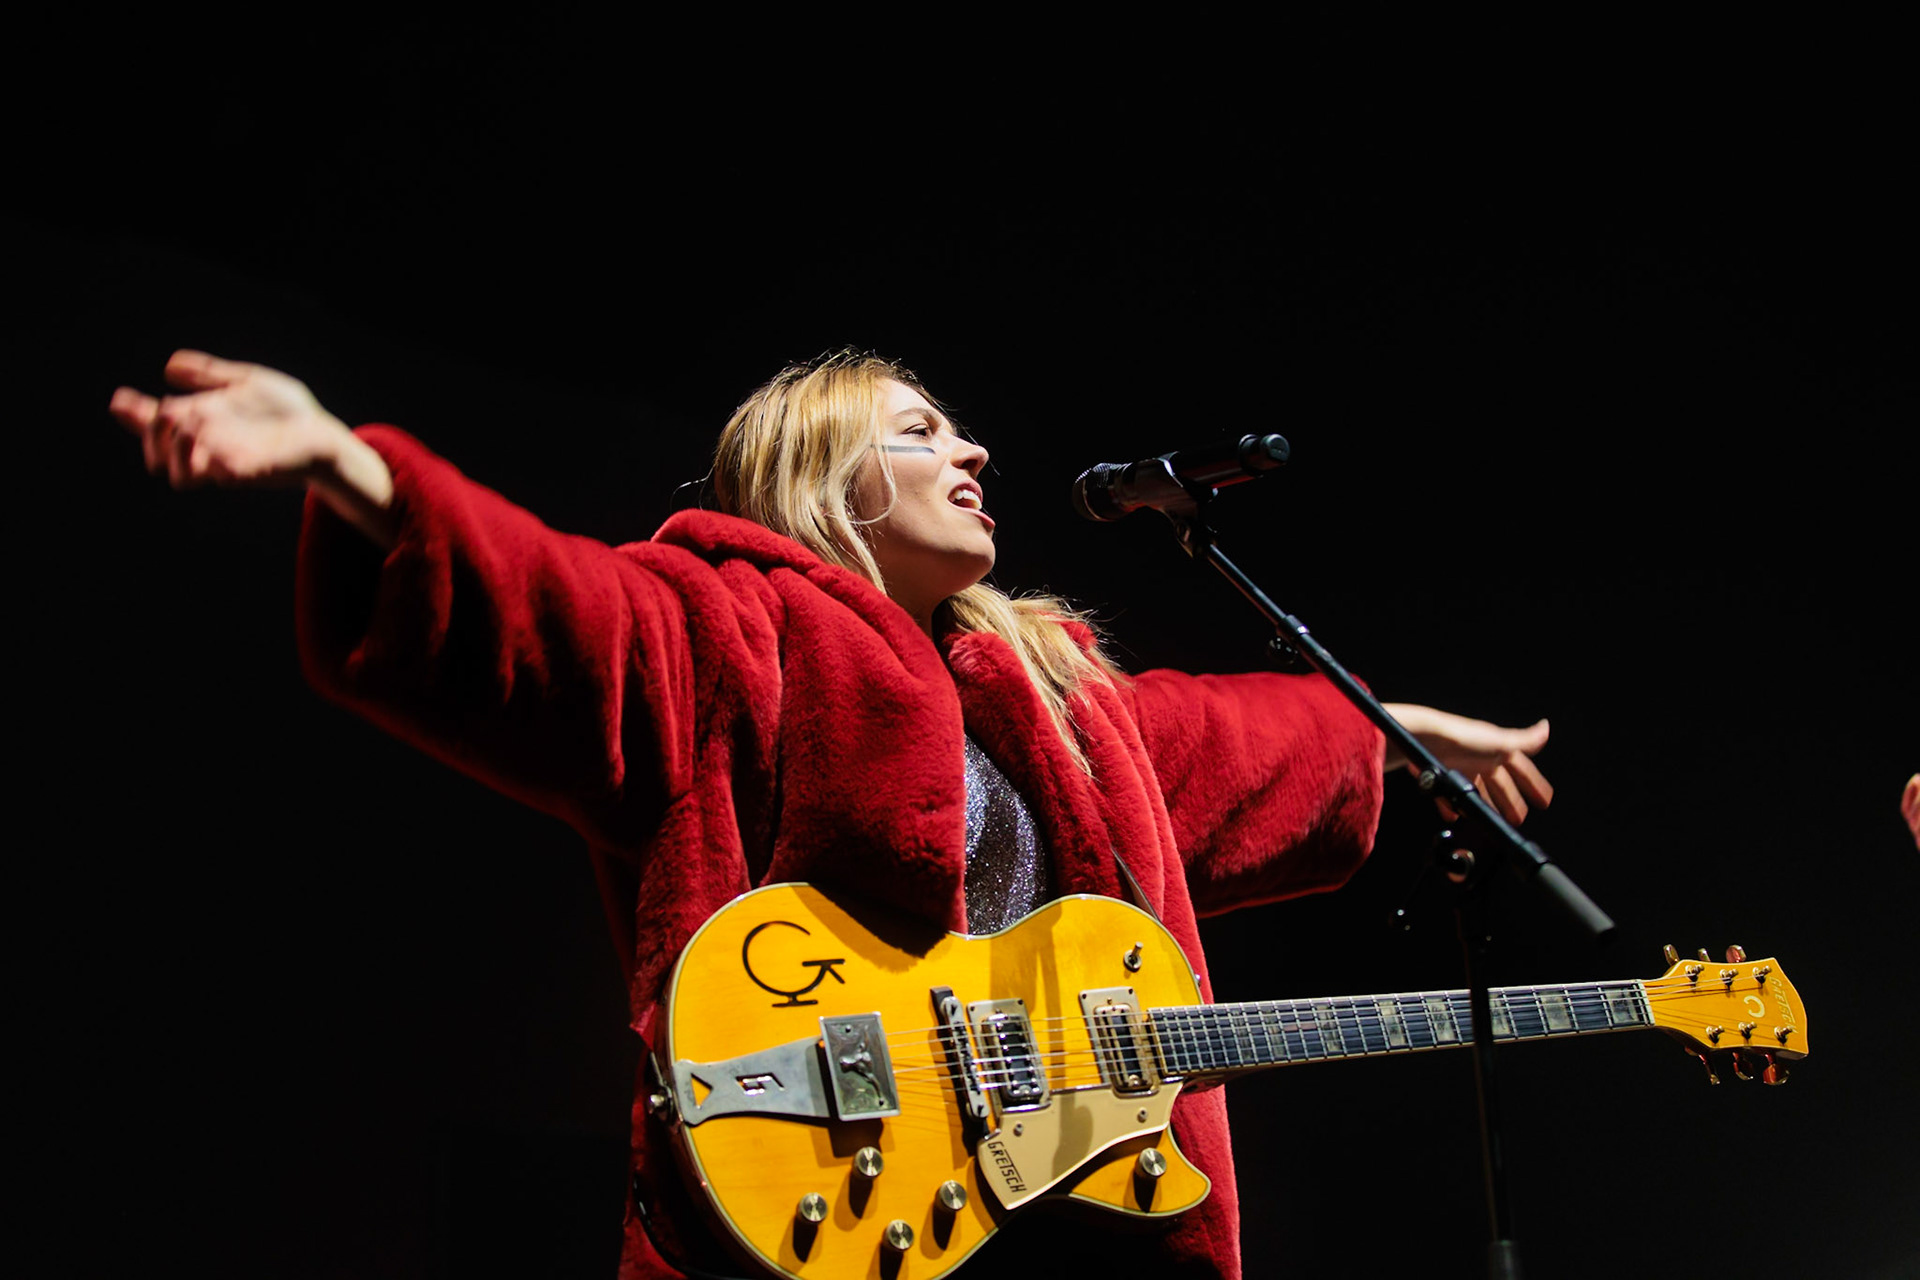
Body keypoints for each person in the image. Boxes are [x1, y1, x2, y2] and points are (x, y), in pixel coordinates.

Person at [110, 349, 1553, 1280]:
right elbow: (564, 614)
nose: (972, 452)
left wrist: (1389, 728)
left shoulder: (1055, 692)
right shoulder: (733, 635)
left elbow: (1228, 737)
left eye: (967, 433)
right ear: (823, 479)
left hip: (1068, 1236)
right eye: (922, 434)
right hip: (825, 1219)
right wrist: (349, 468)